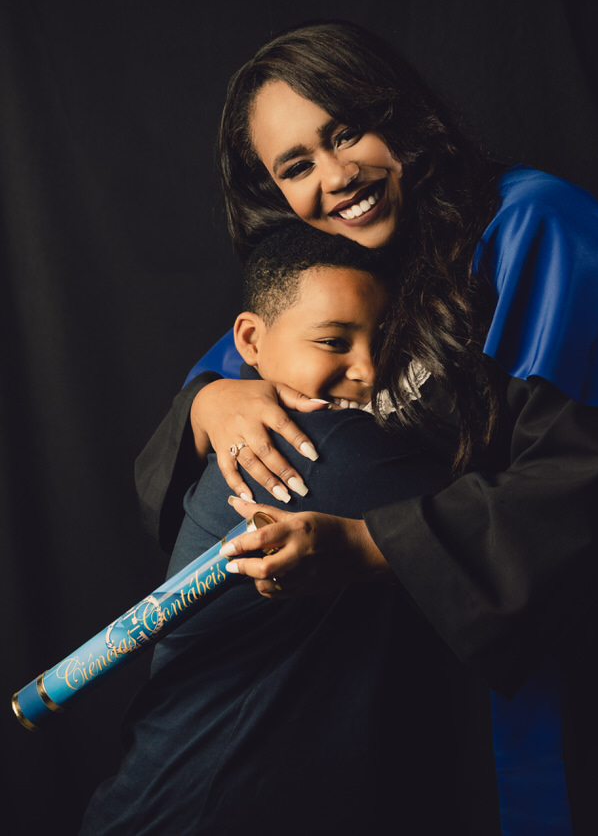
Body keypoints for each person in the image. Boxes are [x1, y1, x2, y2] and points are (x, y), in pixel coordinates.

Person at [135, 21, 598, 834]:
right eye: (296, 166)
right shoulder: (346, 267)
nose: (335, 178)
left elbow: (595, 487)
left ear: (400, 114)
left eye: (346, 132)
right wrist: (208, 404)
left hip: (558, 659)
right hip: (404, 683)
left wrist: (372, 546)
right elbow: (229, 368)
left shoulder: (535, 226)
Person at [80, 223, 472, 835]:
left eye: (387, 340)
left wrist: (206, 398)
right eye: (333, 341)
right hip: (194, 812)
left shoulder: (262, 430)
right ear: (250, 341)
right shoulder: (314, 452)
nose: (370, 369)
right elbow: (542, 536)